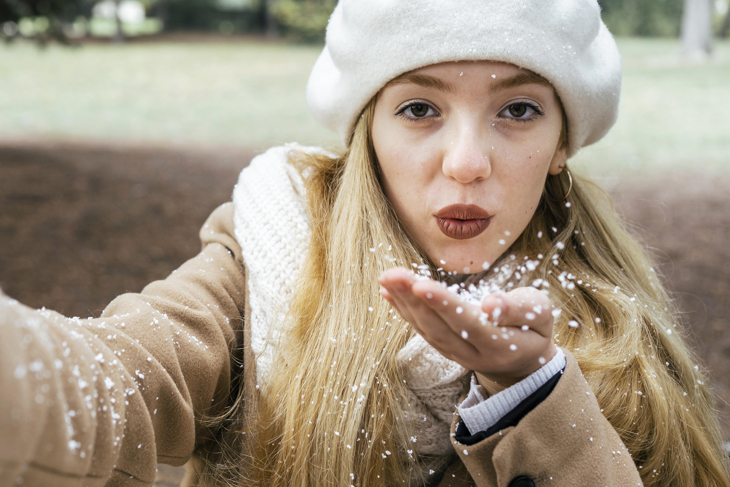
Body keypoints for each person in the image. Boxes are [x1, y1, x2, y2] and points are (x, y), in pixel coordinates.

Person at [1, 0, 728, 486]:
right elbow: (115, 380)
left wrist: (535, 391)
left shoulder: (617, 315)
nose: (467, 161)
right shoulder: (272, 242)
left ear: (563, 138)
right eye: (419, 108)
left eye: (518, 109)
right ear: (366, 128)